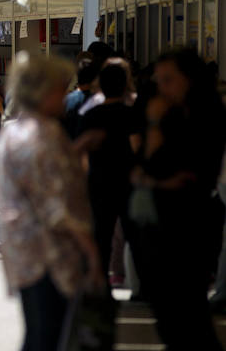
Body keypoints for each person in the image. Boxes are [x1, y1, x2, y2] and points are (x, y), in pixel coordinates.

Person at [0, 53, 102, 351]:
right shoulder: (42, 135)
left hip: (25, 251)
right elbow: (55, 206)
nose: (64, 94)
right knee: (48, 336)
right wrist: (90, 250)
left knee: (38, 333)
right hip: (50, 255)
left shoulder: (14, 130)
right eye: (59, 87)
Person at [131, 48, 226, 350]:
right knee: (170, 315)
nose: (163, 87)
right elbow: (145, 169)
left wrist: (157, 127)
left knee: (186, 313)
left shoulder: (205, 114)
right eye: (160, 80)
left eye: (169, 80)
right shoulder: (166, 112)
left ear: (189, 79)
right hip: (161, 223)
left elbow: (192, 172)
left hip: (188, 224)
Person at [76, 62, 141, 290]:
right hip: (127, 183)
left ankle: (100, 285)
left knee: (101, 237)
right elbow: (136, 147)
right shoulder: (131, 114)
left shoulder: (90, 115)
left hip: (99, 183)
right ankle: (139, 287)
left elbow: (82, 155)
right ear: (125, 86)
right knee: (134, 237)